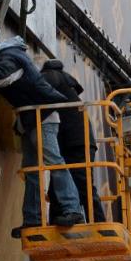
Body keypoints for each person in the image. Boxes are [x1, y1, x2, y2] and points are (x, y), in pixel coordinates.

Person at [0, 27, 85, 238]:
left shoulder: (10, 57)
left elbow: (1, 78)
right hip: (31, 119)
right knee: (31, 171)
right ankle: (32, 220)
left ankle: (72, 209)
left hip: (43, 116)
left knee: (53, 162)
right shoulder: (9, 55)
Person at [40, 59, 106, 223]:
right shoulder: (67, 84)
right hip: (80, 140)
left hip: (75, 142)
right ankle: (58, 220)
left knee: (82, 185)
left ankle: (99, 223)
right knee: (61, 183)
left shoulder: (51, 77)